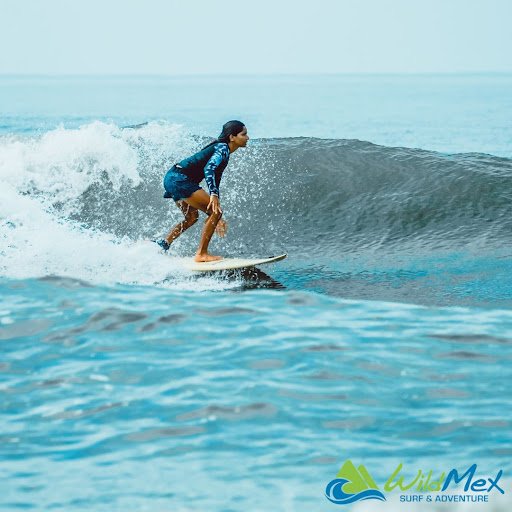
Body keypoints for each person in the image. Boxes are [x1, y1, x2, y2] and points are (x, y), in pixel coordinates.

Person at [155, 120, 249, 262]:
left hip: (172, 178)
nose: (248, 137)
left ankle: (164, 244)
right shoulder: (222, 148)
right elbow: (209, 169)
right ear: (232, 137)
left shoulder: (222, 150)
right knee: (216, 212)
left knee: (192, 218)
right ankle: (201, 254)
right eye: (244, 134)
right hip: (179, 179)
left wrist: (215, 198)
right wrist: (214, 202)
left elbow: (216, 177)